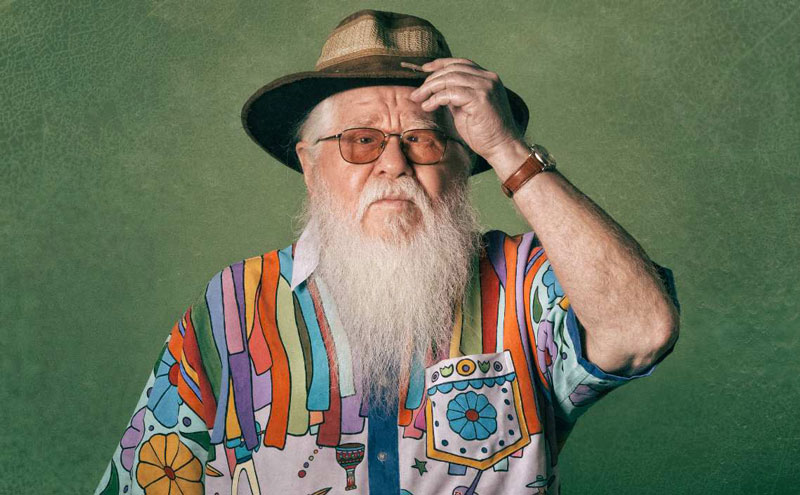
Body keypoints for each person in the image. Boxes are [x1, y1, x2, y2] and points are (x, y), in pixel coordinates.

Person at [94, 9, 680, 495]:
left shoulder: (527, 281)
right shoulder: (230, 307)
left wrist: (507, 148)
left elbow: (642, 331)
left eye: (424, 140)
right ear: (309, 164)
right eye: (361, 140)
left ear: (463, 163)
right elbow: (148, 477)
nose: (393, 164)